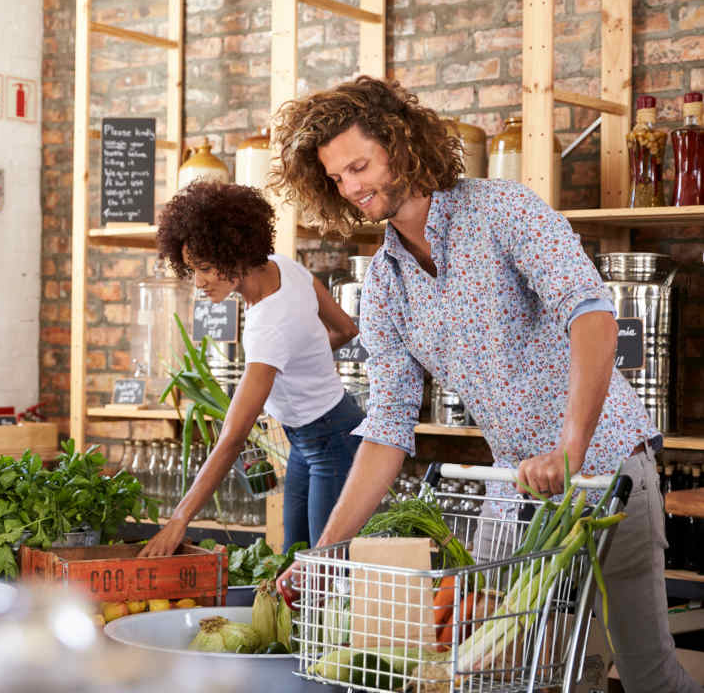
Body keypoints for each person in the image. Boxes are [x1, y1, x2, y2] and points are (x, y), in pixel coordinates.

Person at [269, 76, 701, 693]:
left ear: (401, 142)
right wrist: (325, 550)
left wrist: (569, 451)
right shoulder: (388, 282)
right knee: (540, 677)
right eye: (337, 179)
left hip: (608, 475)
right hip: (518, 496)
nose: (353, 188)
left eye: (360, 166)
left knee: (647, 675)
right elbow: (387, 427)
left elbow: (592, 315)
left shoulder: (502, 210)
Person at [138, 181, 365, 558]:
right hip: (307, 440)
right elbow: (346, 329)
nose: (198, 282)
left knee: (323, 571)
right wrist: (289, 368)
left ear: (236, 255)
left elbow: (232, 437)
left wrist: (178, 520)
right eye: (193, 269)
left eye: (207, 268)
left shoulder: (267, 327)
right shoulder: (285, 267)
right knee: (294, 562)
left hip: (333, 443)